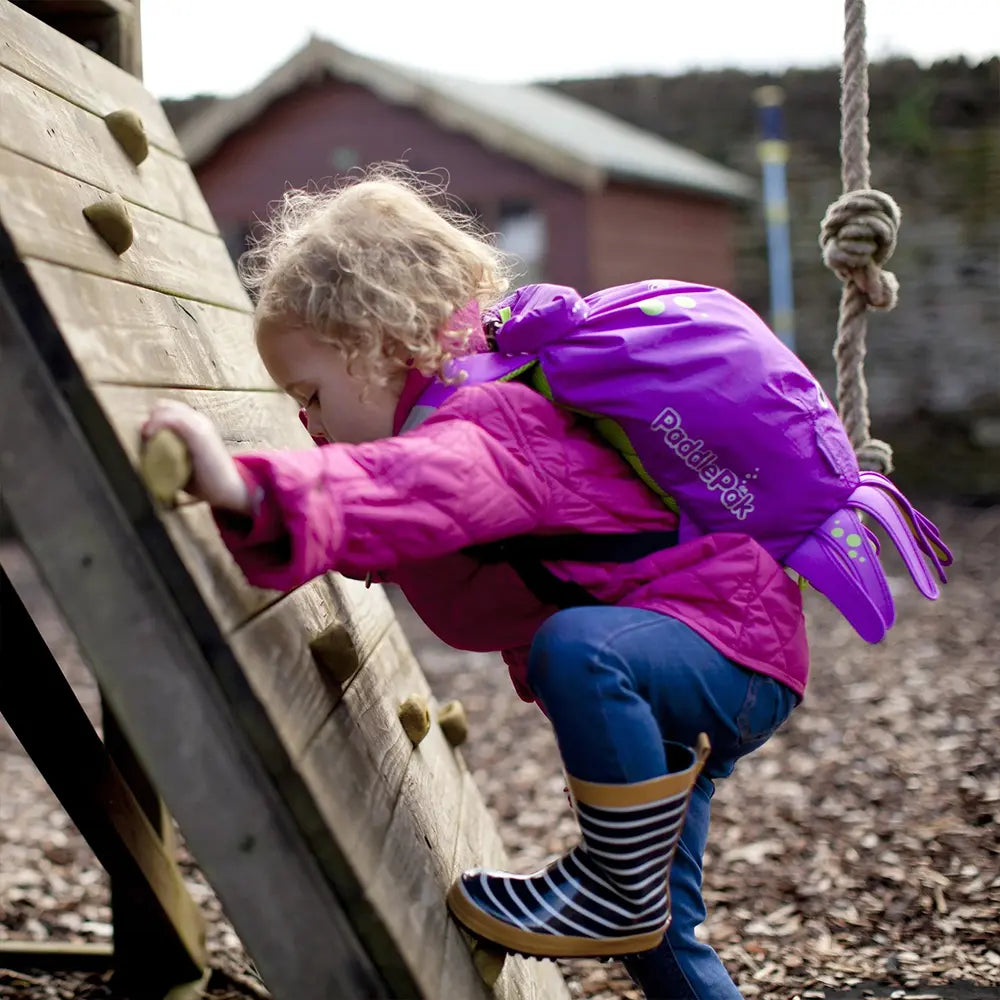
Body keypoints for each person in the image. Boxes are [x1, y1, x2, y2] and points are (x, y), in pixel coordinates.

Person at [142, 168, 805, 999]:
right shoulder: (460, 423)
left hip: (716, 649)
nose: (307, 422)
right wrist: (313, 530)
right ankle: (629, 904)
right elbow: (408, 524)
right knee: (658, 929)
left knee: (579, 649)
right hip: (693, 659)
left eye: (312, 394)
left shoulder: (492, 423)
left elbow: (410, 488)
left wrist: (246, 490)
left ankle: (613, 889)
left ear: (381, 348)